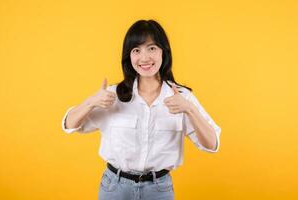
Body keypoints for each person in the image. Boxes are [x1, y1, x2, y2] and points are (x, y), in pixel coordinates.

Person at [62, 19, 221, 200]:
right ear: (129, 57)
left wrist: (190, 110)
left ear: (164, 52)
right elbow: (69, 125)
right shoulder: (113, 95)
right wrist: (90, 102)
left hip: (159, 190)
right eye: (136, 50)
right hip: (114, 188)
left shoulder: (182, 97)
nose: (144, 58)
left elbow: (212, 144)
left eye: (151, 48)